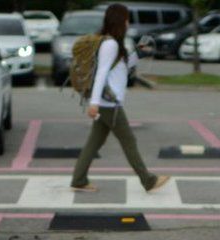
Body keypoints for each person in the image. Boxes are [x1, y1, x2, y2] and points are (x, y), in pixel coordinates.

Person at [70, 4, 170, 193]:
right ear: (120, 20)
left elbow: (120, 67)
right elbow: (101, 73)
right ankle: (148, 180)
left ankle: (79, 179)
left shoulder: (112, 43)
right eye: (126, 18)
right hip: (109, 103)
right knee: (129, 140)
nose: (128, 22)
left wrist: (138, 54)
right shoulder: (110, 44)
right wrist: (94, 103)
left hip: (107, 102)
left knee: (94, 142)